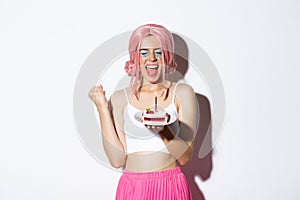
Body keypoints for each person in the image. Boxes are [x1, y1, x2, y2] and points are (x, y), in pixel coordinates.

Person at [88, 24, 198, 200]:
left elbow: (185, 157)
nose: (152, 59)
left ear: (167, 56)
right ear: (135, 58)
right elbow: (117, 160)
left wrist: (162, 129)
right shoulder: (120, 98)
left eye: (159, 52)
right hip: (132, 189)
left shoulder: (182, 93)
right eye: (144, 53)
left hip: (169, 186)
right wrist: (102, 108)